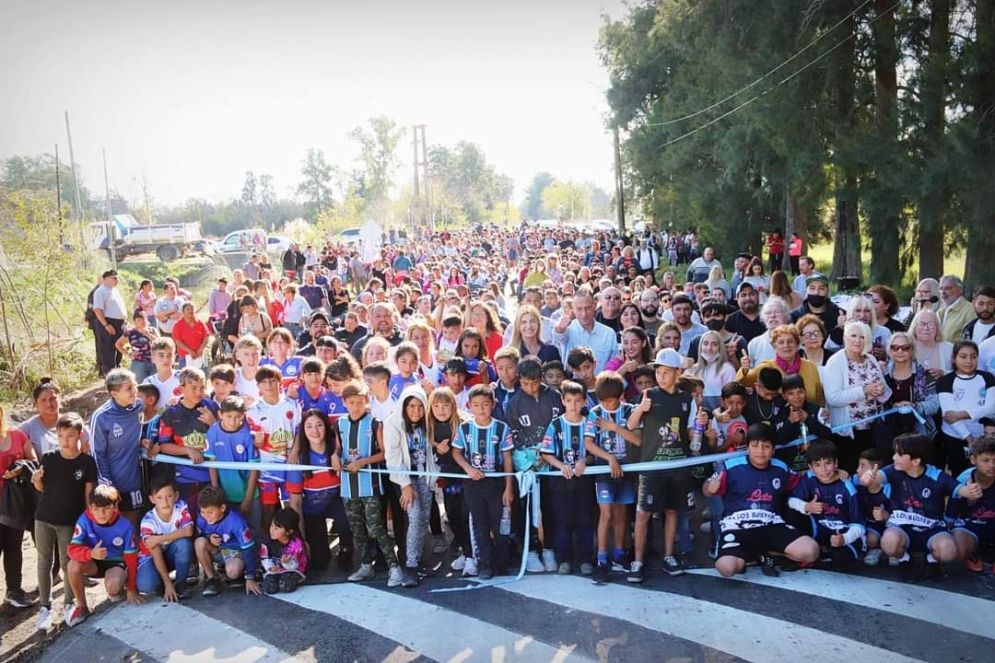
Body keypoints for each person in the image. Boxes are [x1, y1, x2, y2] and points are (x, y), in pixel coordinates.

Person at [858, 433, 981, 581]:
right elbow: (878, 476)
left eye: (899, 454)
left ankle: (931, 561)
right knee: (888, 542)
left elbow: (959, 489)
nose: (894, 457)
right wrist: (869, 477)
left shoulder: (936, 475)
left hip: (932, 529)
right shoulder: (894, 470)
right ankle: (905, 559)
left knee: (948, 551)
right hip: (902, 528)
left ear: (916, 461)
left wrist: (971, 491)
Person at [703, 424, 821, 578]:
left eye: (766, 446)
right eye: (755, 446)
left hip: (771, 524)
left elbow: (802, 480)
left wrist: (836, 473)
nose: (760, 451)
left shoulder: (781, 468)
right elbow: (706, 488)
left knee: (811, 551)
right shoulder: (731, 466)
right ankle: (754, 553)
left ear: (773, 449)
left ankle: (762, 552)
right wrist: (710, 488)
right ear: (748, 448)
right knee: (727, 569)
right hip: (737, 526)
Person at [626, 348, 696, 582]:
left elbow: (691, 432)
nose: (661, 376)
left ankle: (668, 556)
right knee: (643, 513)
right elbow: (631, 425)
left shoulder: (687, 399)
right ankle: (638, 561)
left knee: (672, 511)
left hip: (678, 465)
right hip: (651, 465)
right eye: (659, 371)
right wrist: (640, 409)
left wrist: (701, 426)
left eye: (667, 372)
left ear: (677, 373)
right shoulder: (648, 395)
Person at [30, 413, 97, 629]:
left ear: (79, 435)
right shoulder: (49, 458)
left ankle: (69, 603)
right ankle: (44, 607)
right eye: (60, 436)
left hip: (70, 521)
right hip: (44, 518)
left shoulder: (87, 462)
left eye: (69, 436)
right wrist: (36, 480)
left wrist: (88, 522)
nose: (65, 441)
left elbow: (88, 496)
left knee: (68, 562)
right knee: (44, 562)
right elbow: (42, 488)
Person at [335, 380, 403, 587]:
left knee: (376, 527)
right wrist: (334, 456)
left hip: (370, 485)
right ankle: (365, 565)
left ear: (367, 401)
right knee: (357, 529)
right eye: (352, 402)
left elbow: (384, 453)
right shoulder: (339, 424)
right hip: (348, 485)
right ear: (344, 402)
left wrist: (363, 462)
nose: (356, 406)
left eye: (360, 402)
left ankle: (394, 566)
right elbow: (337, 448)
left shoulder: (374, 424)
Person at [451, 384, 515, 580]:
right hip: (473, 485)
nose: (481, 409)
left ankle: (503, 562)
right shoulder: (465, 428)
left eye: (485, 404)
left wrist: (509, 488)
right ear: (469, 406)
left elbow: (507, 459)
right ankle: (485, 563)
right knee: (480, 525)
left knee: (500, 524)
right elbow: (456, 452)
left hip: (496, 484)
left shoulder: (502, 428)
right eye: (476, 405)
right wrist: (469, 469)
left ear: (493, 404)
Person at [585, 372, 640, 583]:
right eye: (603, 401)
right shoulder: (595, 413)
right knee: (606, 514)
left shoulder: (630, 411)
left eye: (610, 401)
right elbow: (589, 443)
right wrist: (609, 458)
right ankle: (601, 559)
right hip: (603, 472)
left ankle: (619, 554)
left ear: (620, 396)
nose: (606, 405)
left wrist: (615, 427)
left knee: (621, 513)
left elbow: (638, 440)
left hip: (627, 471)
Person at [539, 381, 596, 576]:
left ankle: (586, 559)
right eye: (569, 400)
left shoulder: (589, 423)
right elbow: (546, 453)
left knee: (585, 521)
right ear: (563, 401)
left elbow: (594, 453)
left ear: (584, 402)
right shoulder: (556, 425)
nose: (573, 405)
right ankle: (563, 560)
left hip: (584, 481)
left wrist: (585, 461)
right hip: (560, 482)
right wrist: (561, 465)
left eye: (578, 401)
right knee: (562, 521)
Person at [65, 484, 142, 627]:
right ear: (91, 507)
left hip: (115, 563)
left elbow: (131, 558)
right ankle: (82, 606)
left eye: (106, 508)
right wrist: (90, 553)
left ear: (115, 506)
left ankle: (119, 589)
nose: (101, 513)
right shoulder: (84, 519)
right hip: (93, 561)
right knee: (72, 565)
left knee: (113, 587)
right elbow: (72, 549)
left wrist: (132, 588)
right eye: (96, 509)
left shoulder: (125, 526)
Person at [823, 322, 892, 473]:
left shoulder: (871, 359)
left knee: (873, 471)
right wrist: (864, 391)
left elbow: (884, 389)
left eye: (862, 337)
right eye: (853, 335)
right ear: (845, 337)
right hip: (850, 432)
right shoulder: (835, 362)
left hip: (873, 427)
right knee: (852, 471)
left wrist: (880, 390)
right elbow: (833, 397)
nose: (857, 340)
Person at [385, 387, 435, 588]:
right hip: (404, 478)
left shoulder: (428, 423)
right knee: (414, 516)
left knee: (423, 518)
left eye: (420, 407)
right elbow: (393, 457)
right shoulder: (393, 423)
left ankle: (418, 558)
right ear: (404, 407)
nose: (416, 411)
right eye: (411, 406)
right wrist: (405, 485)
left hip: (424, 476)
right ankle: (410, 566)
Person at [786, 441, 863, 568]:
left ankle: (829, 551)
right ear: (811, 467)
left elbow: (859, 525)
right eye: (817, 465)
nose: (823, 469)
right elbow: (791, 501)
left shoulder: (847, 486)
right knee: (792, 513)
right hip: (819, 529)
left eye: (828, 463)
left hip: (842, 533)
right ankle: (814, 548)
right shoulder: (810, 477)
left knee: (841, 559)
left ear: (836, 463)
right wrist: (806, 506)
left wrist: (845, 538)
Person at [157, 367, 219, 516]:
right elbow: (164, 446)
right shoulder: (171, 413)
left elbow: (224, 437)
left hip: (211, 476)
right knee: (187, 517)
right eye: (193, 388)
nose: (199, 392)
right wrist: (188, 450)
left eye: (202, 387)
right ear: (181, 389)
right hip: (184, 478)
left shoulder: (211, 406)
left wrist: (214, 423)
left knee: (210, 517)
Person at [247, 365, 301, 534]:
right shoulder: (253, 410)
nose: (269, 385)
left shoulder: (292, 405)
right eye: (264, 382)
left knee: (291, 506)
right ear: (258, 386)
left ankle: (295, 541)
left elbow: (299, 431)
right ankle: (266, 541)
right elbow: (253, 442)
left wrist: (295, 451)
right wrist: (256, 441)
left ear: (280, 382)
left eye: (272, 380)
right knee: (268, 507)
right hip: (267, 467)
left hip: (291, 464)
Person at [90, 369, 146, 530]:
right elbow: (97, 454)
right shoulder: (101, 417)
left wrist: (144, 439)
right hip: (111, 482)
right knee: (113, 525)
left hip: (133, 480)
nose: (134, 391)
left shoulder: (139, 406)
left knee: (132, 524)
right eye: (128, 388)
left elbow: (149, 421)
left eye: (135, 386)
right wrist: (108, 485)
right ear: (114, 393)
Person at [935, 340, 995, 476]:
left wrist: (961, 414)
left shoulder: (987, 378)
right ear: (954, 358)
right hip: (955, 436)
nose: (969, 361)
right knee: (960, 475)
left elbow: (991, 408)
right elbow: (950, 416)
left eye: (973, 357)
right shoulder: (945, 381)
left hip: (985, 436)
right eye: (963, 356)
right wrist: (969, 439)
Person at [204, 395, 261, 532]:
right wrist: (215, 489)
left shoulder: (248, 434)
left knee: (253, 530)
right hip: (225, 495)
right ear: (220, 414)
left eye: (237, 417)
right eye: (228, 416)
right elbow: (212, 462)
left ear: (243, 415)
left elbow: (254, 468)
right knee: (229, 531)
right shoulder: (213, 432)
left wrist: (248, 499)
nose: (233, 421)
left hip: (248, 493)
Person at [194, 485, 261, 596]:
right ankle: (212, 579)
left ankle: (241, 571)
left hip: (234, 552)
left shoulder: (236, 521)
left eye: (210, 512)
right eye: (203, 512)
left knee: (233, 572)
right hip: (217, 550)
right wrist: (209, 537)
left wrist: (250, 577)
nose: (206, 516)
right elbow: (202, 534)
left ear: (222, 508)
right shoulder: (202, 518)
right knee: (199, 542)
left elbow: (248, 548)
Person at [136, 476, 194, 601]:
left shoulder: (181, 506)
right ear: (152, 499)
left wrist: (158, 539)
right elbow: (155, 551)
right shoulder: (148, 520)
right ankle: (163, 582)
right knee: (146, 586)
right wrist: (168, 584)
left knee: (184, 544)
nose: (165, 502)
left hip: (171, 554)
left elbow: (188, 531)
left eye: (169, 496)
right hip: (151, 558)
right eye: (159, 498)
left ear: (176, 495)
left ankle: (181, 583)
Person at [739, 324, 824, 406]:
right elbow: (741, 383)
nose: (786, 346)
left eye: (790, 341)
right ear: (774, 345)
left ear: (797, 344)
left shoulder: (810, 366)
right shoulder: (767, 367)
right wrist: (744, 370)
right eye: (781, 342)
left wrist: (821, 411)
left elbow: (819, 398)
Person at [948, 435, 995, 572]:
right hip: (970, 525)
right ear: (973, 459)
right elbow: (952, 509)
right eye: (986, 460)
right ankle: (973, 551)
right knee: (956, 551)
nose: (992, 465)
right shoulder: (964, 478)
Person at [882, 331, 939, 439]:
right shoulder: (882, 374)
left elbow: (935, 404)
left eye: (905, 348)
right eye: (895, 347)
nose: (900, 351)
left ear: (912, 350)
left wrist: (914, 406)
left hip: (919, 431)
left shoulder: (924, 374)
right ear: (889, 350)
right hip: (889, 430)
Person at [20, 378, 91, 458]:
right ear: (36, 403)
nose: (49, 404)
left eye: (52, 399)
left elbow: (86, 449)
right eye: (43, 400)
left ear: (60, 398)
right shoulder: (27, 429)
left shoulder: (73, 422)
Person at [551, 288, 617, 373]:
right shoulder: (568, 329)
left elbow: (614, 364)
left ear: (594, 305)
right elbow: (558, 335)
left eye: (588, 308)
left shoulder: (608, 333)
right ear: (573, 309)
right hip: (573, 381)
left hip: (601, 381)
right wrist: (560, 328)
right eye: (579, 309)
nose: (584, 313)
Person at [259, 506, 307, 594]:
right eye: (271, 526)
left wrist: (287, 562)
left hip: (292, 569)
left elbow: (295, 565)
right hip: (276, 569)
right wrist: (270, 567)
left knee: (285, 585)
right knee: (269, 588)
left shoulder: (296, 544)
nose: (272, 530)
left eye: (276, 528)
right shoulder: (267, 541)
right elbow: (265, 557)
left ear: (289, 532)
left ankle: (297, 579)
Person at [91, 269, 129, 376]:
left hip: (120, 323)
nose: (117, 280)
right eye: (114, 278)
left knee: (119, 346)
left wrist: (125, 322)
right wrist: (106, 325)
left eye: (117, 278)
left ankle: (117, 370)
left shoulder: (115, 290)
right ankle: (110, 374)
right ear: (106, 279)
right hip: (108, 322)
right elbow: (97, 310)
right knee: (108, 349)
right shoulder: (100, 291)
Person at [115, 309, 159, 384]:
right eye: (139, 320)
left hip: (154, 362)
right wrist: (128, 354)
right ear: (134, 322)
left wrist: (148, 334)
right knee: (141, 386)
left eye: (143, 319)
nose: (142, 321)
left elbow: (161, 343)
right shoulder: (130, 332)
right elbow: (118, 344)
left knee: (156, 385)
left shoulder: (152, 330)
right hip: (138, 363)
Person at [909, 309, 953, 380]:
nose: (926, 328)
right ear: (914, 328)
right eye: (921, 324)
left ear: (937, 328)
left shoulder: (949, 349)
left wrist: (944, 373)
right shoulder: (906, 348)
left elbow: (962, 373)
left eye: (931, 324)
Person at [143, 336, 180, 412]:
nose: (166, 359)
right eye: (161, 355)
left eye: (169, 355)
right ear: (153, 358)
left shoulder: (183, 378)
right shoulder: (148, 383)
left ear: (174, 357)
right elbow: (145, 412)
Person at [172, 303, 213, 369]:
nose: (190, 311)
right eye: (188, 309)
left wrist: (201, 348)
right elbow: (178, 341)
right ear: (183, 312)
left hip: (200, 354)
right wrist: (189, 351)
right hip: (185, 356)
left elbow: (206, 336)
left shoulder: (199, 322)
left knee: (202, 374)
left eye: (192, 309)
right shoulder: (178, 325)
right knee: (186, 374)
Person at [938, 275, 976, 342]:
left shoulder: (970, 310)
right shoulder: (939, 310)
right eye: (940, 288)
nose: (943, 292)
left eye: (947, 288)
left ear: (960, 290)